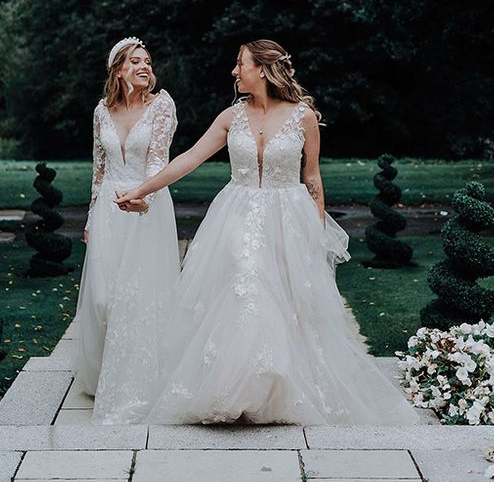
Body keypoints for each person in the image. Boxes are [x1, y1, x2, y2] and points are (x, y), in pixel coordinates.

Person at [115, 39, 419, 424]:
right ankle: (236, 389)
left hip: (288, 217)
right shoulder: (230, 117)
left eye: (239, 64)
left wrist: (317, 230)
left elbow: (312, 178)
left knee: (288, 304)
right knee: (245, 286)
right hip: (237, 214)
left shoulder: (303, 116)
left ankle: (277, 389)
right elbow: (189, 158)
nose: (233, 71)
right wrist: (141, 189)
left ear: (261, 69)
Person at [75, 37, 180, 424]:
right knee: (102, 297)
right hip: (107, 210)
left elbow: (158, 162)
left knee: (138, 296)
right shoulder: (102, 111)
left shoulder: (162, 106)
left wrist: (143, 199)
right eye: (135, 61)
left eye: (148, 61)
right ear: (118, 69)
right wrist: (90, 217)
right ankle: (106, 371)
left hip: (146, 207)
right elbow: (98, 171)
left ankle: (139, 378)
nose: (145, 66)